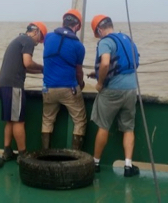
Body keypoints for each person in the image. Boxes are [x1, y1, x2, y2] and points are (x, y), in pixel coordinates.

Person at [88, 15, 140, 177]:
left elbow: (105, 63)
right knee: (128, 128)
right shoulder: (127, 39)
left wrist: (100, 82)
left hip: (112, 91)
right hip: (131, 89)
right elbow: (129, 62)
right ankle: (128, 166)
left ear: (99, 29)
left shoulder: (106, 41)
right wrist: (95, 73)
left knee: (103, 126)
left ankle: (95, 163)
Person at [0, 21, 47, 161]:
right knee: (19, 121)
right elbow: (28, 63)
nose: (39, 42)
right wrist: (43, 66)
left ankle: (7, 151)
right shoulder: (28, 41)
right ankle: (23, 154)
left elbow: (26, 67)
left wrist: (43, 70)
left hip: (4, 83)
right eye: (40, 38)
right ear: (36, 31)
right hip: (14, 84)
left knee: (10, 120)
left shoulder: (18, 39)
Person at [41, 9, 87, 150]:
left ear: (63, 22)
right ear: (78, 26)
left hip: (48, 88)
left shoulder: (48, 37)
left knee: (47, 120)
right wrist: (81, 84)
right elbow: (78, 72)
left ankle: (45, 154)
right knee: (80, 120)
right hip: (69, 89)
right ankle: (75, 156)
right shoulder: (79, 46)